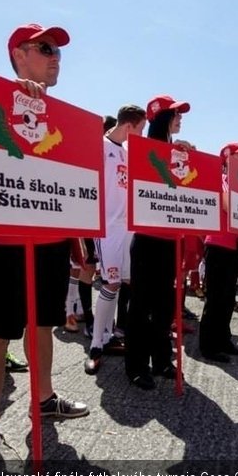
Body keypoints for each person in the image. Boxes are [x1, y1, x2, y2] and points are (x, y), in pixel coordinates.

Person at [0, 23, 89, 472]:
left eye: (58, 50)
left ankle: (44, 400)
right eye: (46, 49)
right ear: (19, 54)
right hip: (4, 242)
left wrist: (80, 246)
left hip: (51, 242)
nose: (56, 57)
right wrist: (8, 96)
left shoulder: (65, 117)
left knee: (43, 326)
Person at [125, 94, 190, 390]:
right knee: (140, 306)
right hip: (147, 239)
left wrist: (191, 160)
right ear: (161, 117)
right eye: (175, 114)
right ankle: (136, 366)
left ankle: (162, 359)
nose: (180, 119)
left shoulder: (179, 154)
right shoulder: (142, 149)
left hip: (170, 240)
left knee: (165, 305)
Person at [84, 104, 147, 375]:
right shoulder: (98, 146)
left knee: (124, 283)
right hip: (107, 227)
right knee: (109, 282)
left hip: (127, 227)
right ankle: (96, 344)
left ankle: (109, 336)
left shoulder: (128, 153)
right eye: (140, 129)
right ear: (129, 126)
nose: (141, 135)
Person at [199, 142, 238, 363]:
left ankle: (223, 339)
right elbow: (226, 205)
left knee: (228, 298)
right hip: (217, 245)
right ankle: (208, 346)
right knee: (215, 298)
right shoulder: (221, 179)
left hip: (233, 246)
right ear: (229, 158)